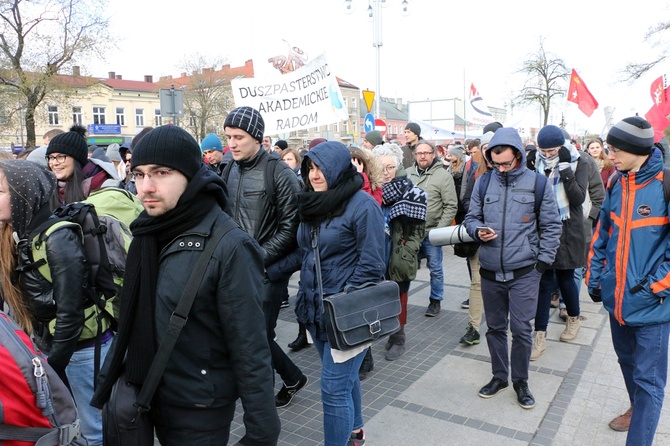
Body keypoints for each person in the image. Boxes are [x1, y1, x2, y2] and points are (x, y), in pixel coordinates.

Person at [90, 125, 280, 445]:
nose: (145, 187)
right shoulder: (149, 230)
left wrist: (262, 433)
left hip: (198, 407)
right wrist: (108, 380)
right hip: (150, 391)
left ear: (190, 174)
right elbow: (134, 318)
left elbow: (251, 348)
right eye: (138, 174)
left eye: (161, 172)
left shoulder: (229, 245)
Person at [270, 140, 385, 446]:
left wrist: (341, 303)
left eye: (321, 168)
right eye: (309, 168)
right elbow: (306, 253)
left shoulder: (363, 206)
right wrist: (269, 270)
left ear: (338, 168)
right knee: (344, 382)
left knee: (333, 390)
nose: (314, 175)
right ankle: (356, 430)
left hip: (346, 316)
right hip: (315, 313)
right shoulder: (312, 202)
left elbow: (372, 265)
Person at [0, 160, 111, 445]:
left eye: (0, 191)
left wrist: (53, 368)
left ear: (25, 195)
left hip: (81, 351)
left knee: (91, 430)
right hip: (50, 347)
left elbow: (70, 314)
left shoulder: (59, 238)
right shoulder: (16, 235)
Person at [464, 127, 562, 409]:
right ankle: (499, 376)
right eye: (498, 164)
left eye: (508, 163)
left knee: (520, 329)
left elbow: (552, 226)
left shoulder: (537, 184)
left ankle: (521, 381)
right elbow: (471, 217)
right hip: (490, 270)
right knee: (494, 328)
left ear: (519, 155)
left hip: (525, 272)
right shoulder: (483, 183)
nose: (503, 169)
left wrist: (543, 261)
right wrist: (476, 231)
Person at [587, 117, 670, 445]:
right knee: (627, 363)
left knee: (650, 384)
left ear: (637, 149)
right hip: (616, 303)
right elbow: (602, 233)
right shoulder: (616, 183)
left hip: (653, 309)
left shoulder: (665, 184)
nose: (609, 155)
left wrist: (655, 288)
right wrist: (596, 278)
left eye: (615, 149)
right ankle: (636, 409)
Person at [222, 106, 307, 409]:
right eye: (228, 136)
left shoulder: (278, 172)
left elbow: (291, 228)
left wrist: (256, 257)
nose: (232, 143)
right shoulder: (229, 168)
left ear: (257, 138)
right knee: (245, 334)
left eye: (239, 137)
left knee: (256, 338)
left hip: (267, 272)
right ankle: (292, 377)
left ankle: (260, 410)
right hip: (234, 268)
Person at [529, 125, 588, 360]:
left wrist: (564, 169)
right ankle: (539, 335)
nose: (548, 155)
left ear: (562, 147)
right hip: (542, 228)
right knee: (543, 282)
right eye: (544, 150)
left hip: (568, 229)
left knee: (565, 279)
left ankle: (573, 318)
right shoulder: (534, 163)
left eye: (552, 150)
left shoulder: (578, 161)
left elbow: (577, 198)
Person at [374, 142, 426, 361]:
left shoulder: (411, 192)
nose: (386, 173)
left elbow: (417, 229)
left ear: (397, 167)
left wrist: (408, 250)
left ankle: (399, 338)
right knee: (382, 297)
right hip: (377, 254)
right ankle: (390, 332)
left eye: (390, 167)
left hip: (399, 254)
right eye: (381, 168)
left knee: (400, 297)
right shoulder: (372, 193)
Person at [407, 140, 458, 317]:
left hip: (431, 233)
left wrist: (439, 230)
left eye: (426, 153)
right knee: (404, 268)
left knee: (435, 268)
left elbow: (451, 206)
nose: (422, 156)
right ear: (415, 155)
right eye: (419, 153)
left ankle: (435, 301)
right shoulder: (407, 174)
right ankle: (402, 299)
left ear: (433, 154)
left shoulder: (443, 176)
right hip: (410, 233)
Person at [45, 125, 120, 204]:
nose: (54, 163)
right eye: (51, 157)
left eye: (60, 157)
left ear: (77, 159)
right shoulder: (48, 189)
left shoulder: (104, 188)